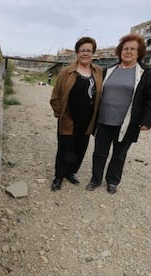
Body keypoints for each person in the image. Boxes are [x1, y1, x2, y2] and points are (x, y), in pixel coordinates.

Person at [86, 33, 151, 194]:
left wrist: (146, 120)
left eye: (133, 49)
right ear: (120, 51)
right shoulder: (109, 70)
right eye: (125, 48)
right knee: (99, 153)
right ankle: (95, 179)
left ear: (139, 53)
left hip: (126, 123)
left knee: (119, 155)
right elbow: (96, 91)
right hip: (104, 120)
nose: (128, 51)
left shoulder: (145, 73)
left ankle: (112, 181)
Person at [49, 37, 103, 191]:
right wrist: (60, 114)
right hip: (68, 118)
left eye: (88, 50)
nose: (85, 53)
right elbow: (55, 95)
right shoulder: (66, 72)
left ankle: (70, 172)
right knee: (65, 148)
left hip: (88, 119)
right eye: (82, 50)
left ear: (93, 53)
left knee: (80, 148)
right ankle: (58, 176)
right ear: (77, 53)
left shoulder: (98, 72)